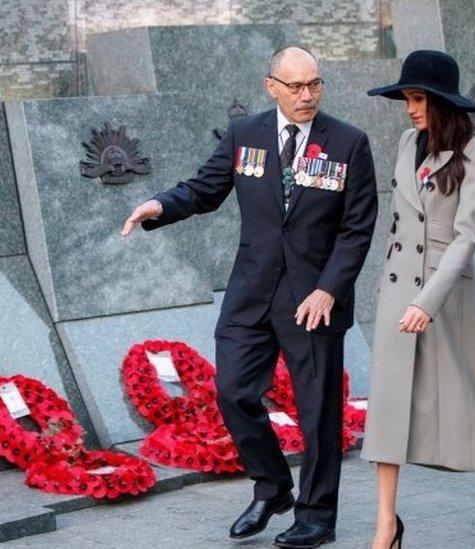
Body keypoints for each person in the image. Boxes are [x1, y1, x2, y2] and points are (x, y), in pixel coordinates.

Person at [121, 46, 378, 548]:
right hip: (252, 293)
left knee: (318, 412)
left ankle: (317, 515)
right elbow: (203, 189)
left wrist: (329, 288)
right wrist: (158, 206)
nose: (307, 96)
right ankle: (273, 485)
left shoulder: (348, 142)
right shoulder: (245, 136)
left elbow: (357, 227)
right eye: (296, 87)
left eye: (315, 85)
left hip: (313, 300)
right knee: (234, 391)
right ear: (271, 87)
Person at [361, 49, 475, 549]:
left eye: (417, 98)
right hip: (395, 289)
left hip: (447, 298)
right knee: (386, 407)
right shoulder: (409, 141)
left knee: (471, 407)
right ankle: (386, 523)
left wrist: (427, 302)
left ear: (441, 102)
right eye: (406, 98)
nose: (409, 109)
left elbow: (466, 237)